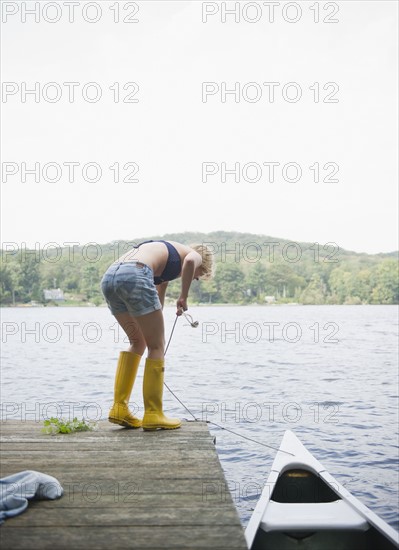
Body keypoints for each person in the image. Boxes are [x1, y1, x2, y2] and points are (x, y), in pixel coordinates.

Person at [100, 240, 215, 431]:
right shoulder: (194, 255)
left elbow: (158, 295)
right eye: (198, 276)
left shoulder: (168, 263)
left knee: (138, 342)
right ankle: (153, 414)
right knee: (157, 346)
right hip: (136, 274)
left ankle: (119, 408)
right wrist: (183, 297)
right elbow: (189, 264)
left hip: (111, 277)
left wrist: (156, 319)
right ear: (202, 265)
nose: (194, 278)